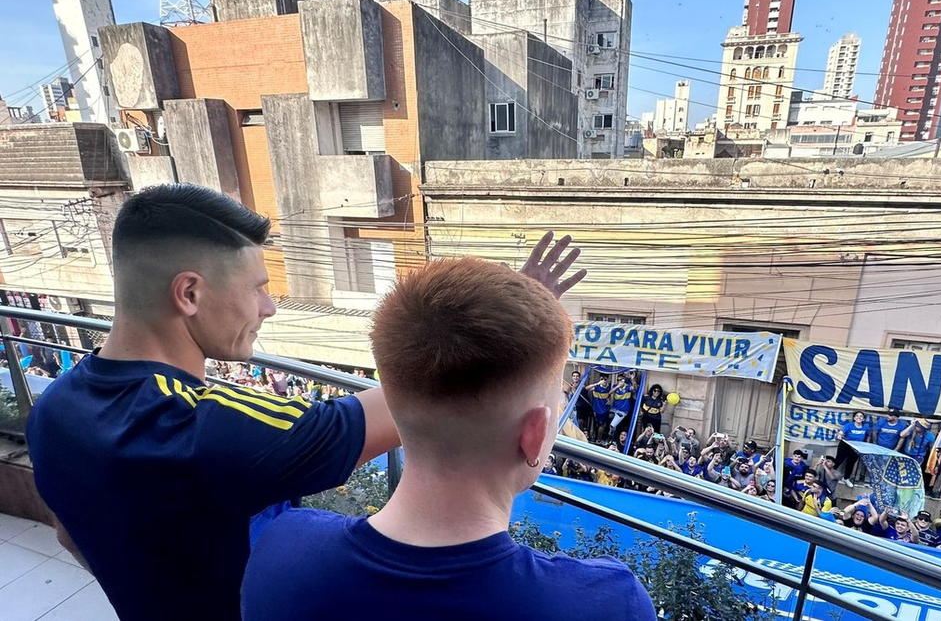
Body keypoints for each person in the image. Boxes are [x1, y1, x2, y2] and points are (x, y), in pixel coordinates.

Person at [23, 186, 401, 620]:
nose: (269, 307)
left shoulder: (53, 408)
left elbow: (67, 535)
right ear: (189, 293)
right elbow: (418, 398)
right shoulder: (201, 429)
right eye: (258, 288)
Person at [242, 256, 652, 620]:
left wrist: (498, 333)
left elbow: (418, 386)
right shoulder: (608, 603)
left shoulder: (280, 548)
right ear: (536, 434)